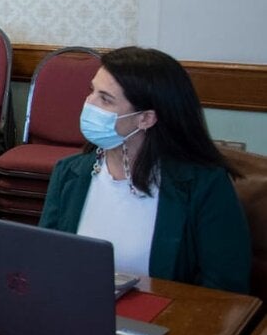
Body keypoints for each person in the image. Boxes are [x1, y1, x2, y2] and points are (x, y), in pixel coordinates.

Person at [39, 47, 249, 293]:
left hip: (167, 314)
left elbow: (225, 288)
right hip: (78, 309)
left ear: (146, 119)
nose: (89, 103)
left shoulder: (204, 184)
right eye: (92, 90)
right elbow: (45, 261)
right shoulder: (69, 173)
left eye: (105, 99)